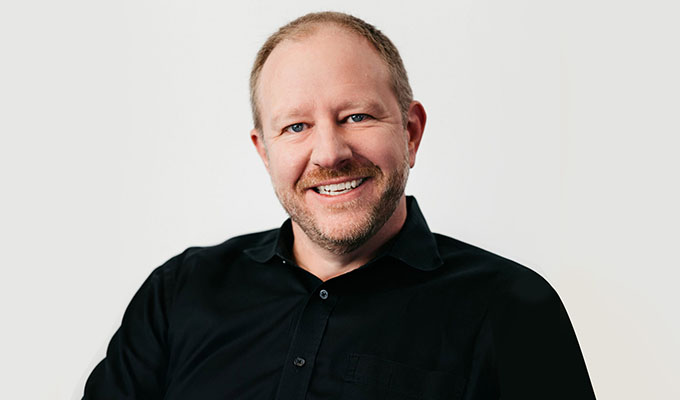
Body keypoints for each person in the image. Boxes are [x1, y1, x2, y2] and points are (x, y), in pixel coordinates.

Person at [83, 11, 596, 400]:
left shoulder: (511, 309)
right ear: (264, 151)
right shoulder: (180, 293)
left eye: (355, 116)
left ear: (411, 132)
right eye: (296, 127)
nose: (329, 153)